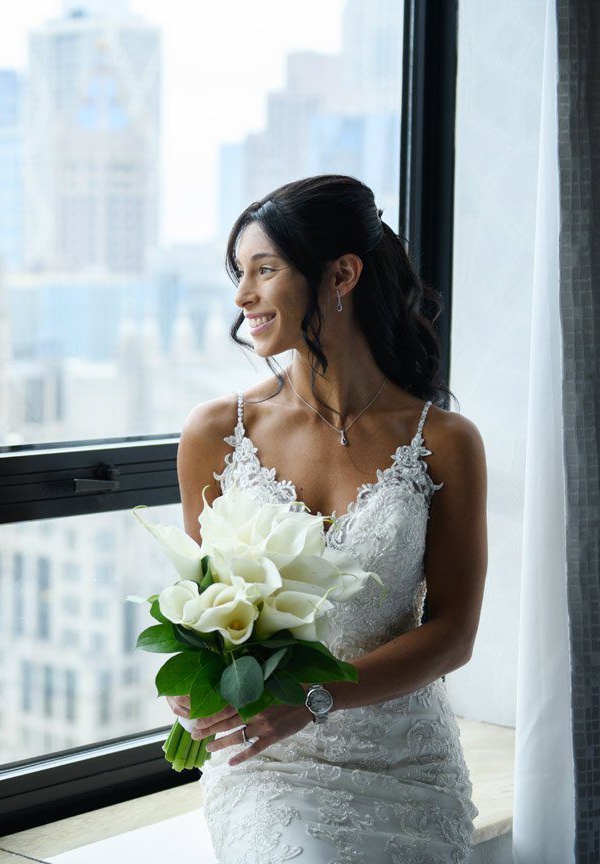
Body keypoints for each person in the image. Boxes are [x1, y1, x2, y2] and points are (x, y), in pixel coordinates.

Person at [169, 175, 487, 863]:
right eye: (239, 273)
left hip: (408, 763)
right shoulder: (215, 433)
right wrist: (194, 690)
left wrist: (316, 696)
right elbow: (208, 615)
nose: (242, 296)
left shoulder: (445, 441)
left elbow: (453, 635)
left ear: (340, 274)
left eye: (265, 270)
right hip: (269, 767)